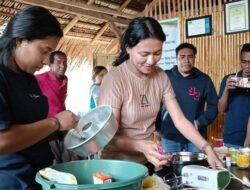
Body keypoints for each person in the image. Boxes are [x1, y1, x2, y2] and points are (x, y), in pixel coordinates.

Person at [99, 17, 223, 175]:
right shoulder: (115, 79)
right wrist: (141, 145)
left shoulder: (161, 76)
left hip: (146, 163)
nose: (151, 61)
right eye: (144, 54)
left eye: (157, 53)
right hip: (116, 167)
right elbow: (108, 137)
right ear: (128, 48)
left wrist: (207, 147)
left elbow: (179, 120)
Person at [0, 6, 79, 189]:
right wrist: (55, 123)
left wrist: (70, 131)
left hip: (39, 177)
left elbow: (32, 126)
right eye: (44, 51)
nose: (46, 61)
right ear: (21, 40)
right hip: (11, 182)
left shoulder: (27, 77)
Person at [158, 43, 218, 153]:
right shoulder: (165, 76)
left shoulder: (204, 80)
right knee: (171, 168)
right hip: (170, 136)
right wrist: (157, 128)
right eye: (182, 56)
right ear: (176, 58)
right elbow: (156, 104)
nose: (186, 60)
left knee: (196, 168)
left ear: (195, 58)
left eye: (190, 56)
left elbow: (214, 106)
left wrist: (200, 122)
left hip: (196, 136)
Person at [36, 51, 71, 163]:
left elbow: (60, 102)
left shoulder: (65, 79)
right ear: (50, 65)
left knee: (67, 159)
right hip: (49, 126)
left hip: (64, 126)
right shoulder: (39, 79)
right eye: (59, 62)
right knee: (54, 161)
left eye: (65, 62)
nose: (63, 65)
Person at [218, 43, 250, 148]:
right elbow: (221, 110)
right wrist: (226, 90)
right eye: (244, 62)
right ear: (240, 61)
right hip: (231, 139)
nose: (247, 66)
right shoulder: (229, 79)